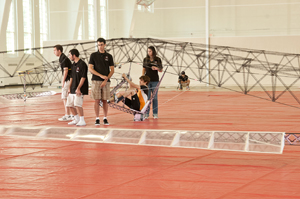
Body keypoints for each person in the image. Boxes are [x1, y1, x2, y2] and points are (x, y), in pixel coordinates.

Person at [88, 38, 114, 125]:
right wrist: (100, 76)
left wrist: (106, 79)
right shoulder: (93, 55)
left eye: (101, 44)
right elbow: (90, 68)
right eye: (98, 45)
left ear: (105, 45)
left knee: (105, 100)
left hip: (106, 81)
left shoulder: (109, 56)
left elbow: (112, 70)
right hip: (96, 81)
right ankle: (97, 118)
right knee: (97, 100)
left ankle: (105, 118)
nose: (100, 46)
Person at [66, 49, 89, 126]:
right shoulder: (73, 65)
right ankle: (76, 119)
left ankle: (82, 120)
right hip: (72, 88)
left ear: (74, 55)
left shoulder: (82, 64)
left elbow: (83, 77)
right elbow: (71, 77)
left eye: (70, 55)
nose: (69, 57)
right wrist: (69, 88)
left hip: (80, 88)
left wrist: (78, 88)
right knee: (70, 105)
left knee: (77, 104)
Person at [142, 46, 162, 119]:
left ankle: (155, 113)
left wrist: (156, 68)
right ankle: (146, 113)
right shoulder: (145, 59)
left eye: (150, 51)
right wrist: (142, 78)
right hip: (147, 81)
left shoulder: (158, 59)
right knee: (147, 98)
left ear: (153, 51)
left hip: (155, 80)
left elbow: (161, 69)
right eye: (148, 51)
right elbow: (144, 69)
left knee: (155, 98)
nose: (149, 53)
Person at [54, 44, 72, 121]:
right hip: (69, 79)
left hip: (68, 80)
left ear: (59, 50)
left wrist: (63, 81)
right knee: (67, 97)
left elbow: (66, 70)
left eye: (54, 50)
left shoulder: (63, 59)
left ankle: (67, 115)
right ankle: (70, 114)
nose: (54, 52)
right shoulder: (62, 58)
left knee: (64, 97)